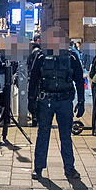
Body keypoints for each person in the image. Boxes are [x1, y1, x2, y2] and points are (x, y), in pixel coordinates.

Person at [29, 27, 85, 180]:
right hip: (47, 100)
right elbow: (33, 79)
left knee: (65, 136)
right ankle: (39, 167)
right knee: (43, 135)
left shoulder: (71, 57)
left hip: (64, 100)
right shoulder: (41, 56)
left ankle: (69, 168)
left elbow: (79, 80)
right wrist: (31, 101)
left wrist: (81, 101)